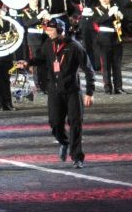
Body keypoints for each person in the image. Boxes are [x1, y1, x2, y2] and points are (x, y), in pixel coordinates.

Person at [41, 16, 95, 166]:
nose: (48, 33)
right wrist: (27, 63)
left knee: (75, 123)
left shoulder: (75, 47)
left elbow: (89, 70)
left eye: (51, 30)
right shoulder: (48, 44)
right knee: (55, 123)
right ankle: (64, 142)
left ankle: (77, 157)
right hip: (54, 91)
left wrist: (89, 92)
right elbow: (40, 59)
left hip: (72, 91)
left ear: (60, 30)